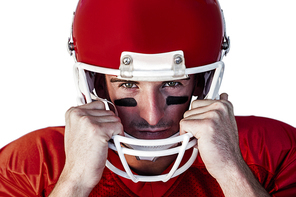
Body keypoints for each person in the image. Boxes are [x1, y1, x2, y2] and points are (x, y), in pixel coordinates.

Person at [1, 0, 296, 196]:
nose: (152, 116)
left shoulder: (275, 152)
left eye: (171, 83)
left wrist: (234, 174)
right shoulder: (28, 165)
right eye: (128, 85)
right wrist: (73, 183)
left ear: (200, 82)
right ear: (99, 86)